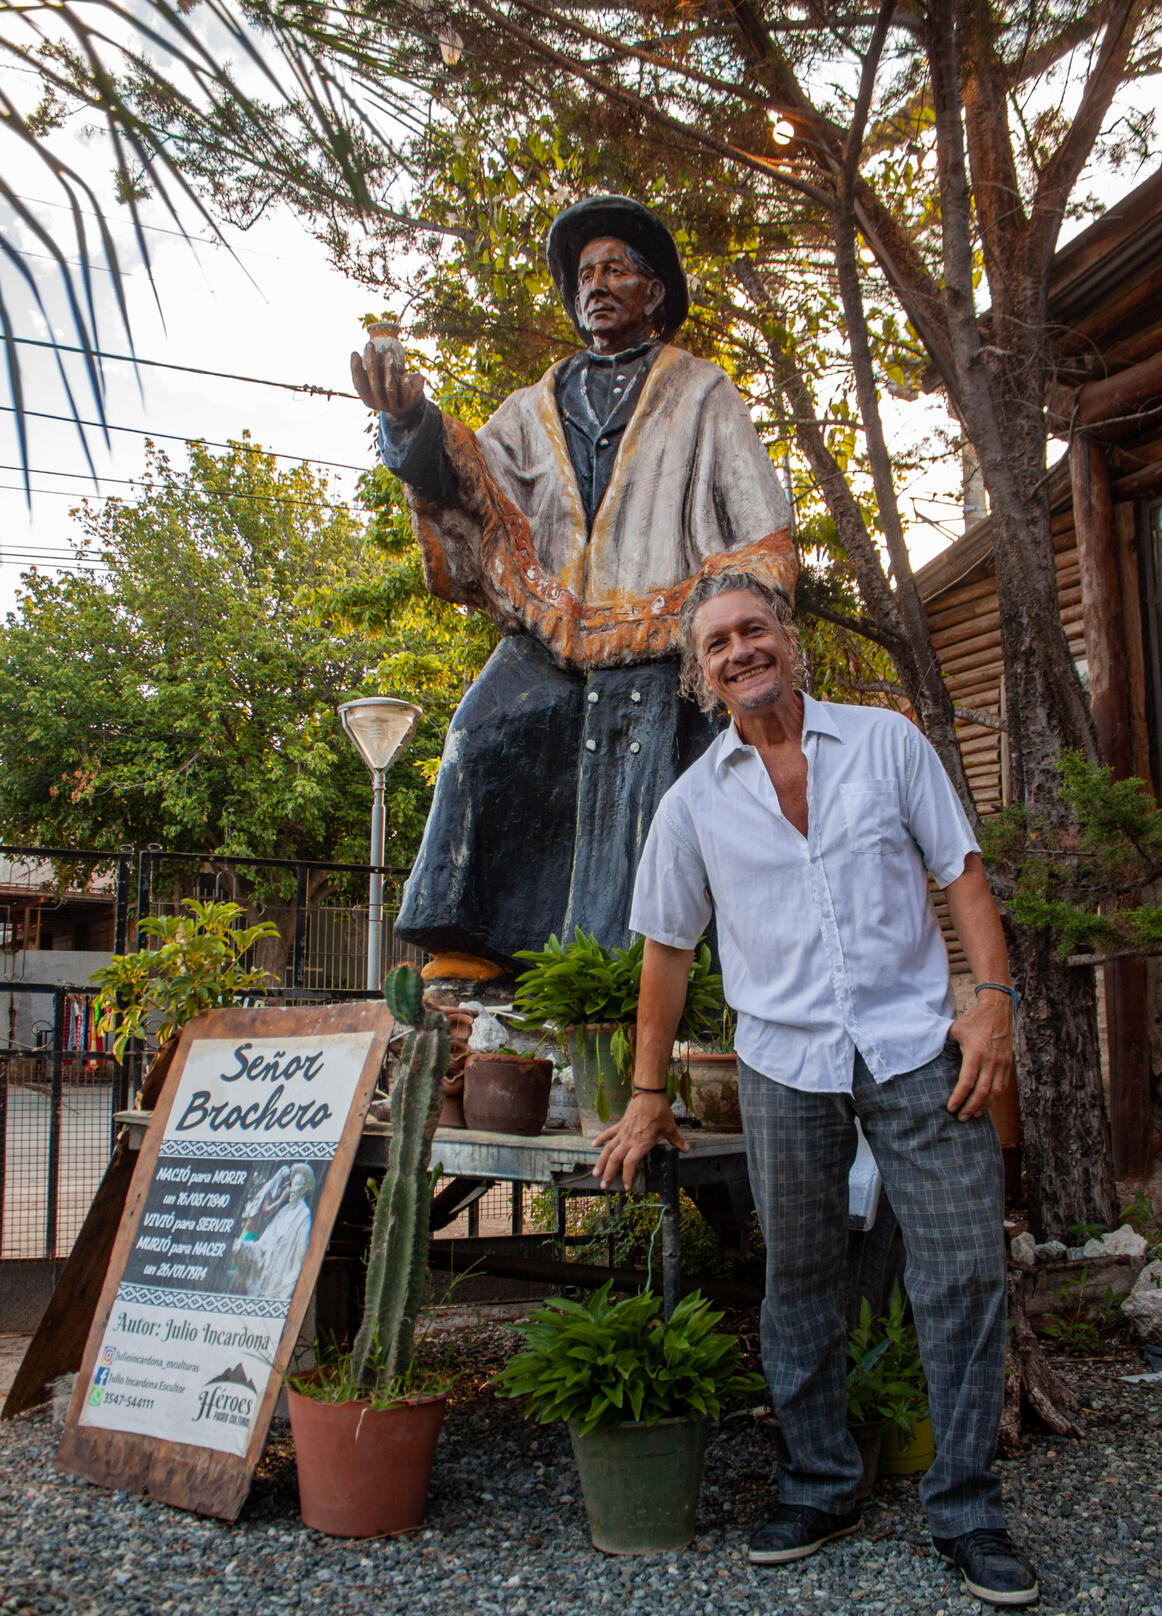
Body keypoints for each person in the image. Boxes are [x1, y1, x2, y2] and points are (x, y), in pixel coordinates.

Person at [593, 572, 1038, 1609]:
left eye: (752, 629)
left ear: (784, 639)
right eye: (716, 643)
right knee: (798, 1276)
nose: (739, 650)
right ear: (702, 674)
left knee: (965, 1266)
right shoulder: (693, 801)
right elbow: (666, 949)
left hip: (915, 1046)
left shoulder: (885, 742)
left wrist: (994, 999)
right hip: (782, 1063)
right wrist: (647, 1090)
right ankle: (821, 1479)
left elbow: (961, 870)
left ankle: (966, 1501)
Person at [349, 196, 795, 978]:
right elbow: (469, 485)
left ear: (654, 293)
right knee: (484, 731)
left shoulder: (702, 391)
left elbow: (760, 523)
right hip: (555, 632)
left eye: (616, 268)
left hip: (672, 635)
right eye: (586, 273)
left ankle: (695, 972)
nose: (597, 284)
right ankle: (474, 944)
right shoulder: (532, 406)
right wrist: (410, 425)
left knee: (695, 780)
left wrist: (732, 614)